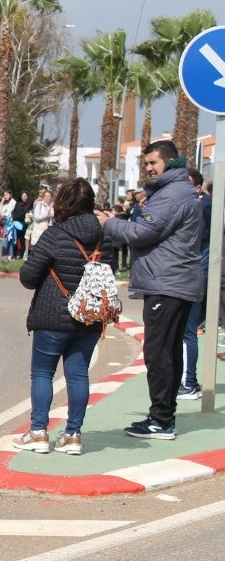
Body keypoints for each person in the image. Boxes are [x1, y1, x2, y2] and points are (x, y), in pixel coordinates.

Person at [96, 140, 204, 440]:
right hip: (174, 280)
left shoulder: (171, 193)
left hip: (167, 282)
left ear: (168, 162)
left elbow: (143, 232)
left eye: (153, 163)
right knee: (168, 351)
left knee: (158, 353)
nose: (148, 168)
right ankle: (163, 416)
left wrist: (110, 223)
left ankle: (161, 420)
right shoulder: (176, 190)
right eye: (145, 164)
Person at [14, 178, 105, 455]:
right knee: (78, 377)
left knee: (42, 372)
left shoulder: (55, 235)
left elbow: (28, 277)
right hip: (89, 317)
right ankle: (73, 435)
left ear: (62, 203)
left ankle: (39, 432)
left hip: (53, 316)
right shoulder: (103, 236)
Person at [177, 169, 212, 400]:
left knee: (188, 331)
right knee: (185, 331)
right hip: (192, 272)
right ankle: (189, 381)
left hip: (194, 274)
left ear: (198, 188)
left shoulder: (203, 207)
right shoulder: (201, 205)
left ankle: (189, 383)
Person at [29, 187, 53, 253]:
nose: (47, 197)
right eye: (45, 196)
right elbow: (36, 217)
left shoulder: (53, 206)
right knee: (38, 249)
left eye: (48, 196)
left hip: (49, 229)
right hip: (39, 229)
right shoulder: (39, 205)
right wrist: (46, 215)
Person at [11, 191, 30, 258]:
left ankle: (22, 255)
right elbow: (13, 212)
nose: (24, 197)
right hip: (16, 224)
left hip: (23, 224)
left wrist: (16, 217)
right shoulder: (18, 204)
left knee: (23, 240)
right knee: (15, 239)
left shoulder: (28, 205)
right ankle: (14, 254)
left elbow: (24, 214)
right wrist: (13, 219)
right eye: (23, 196)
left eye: (25, 196)